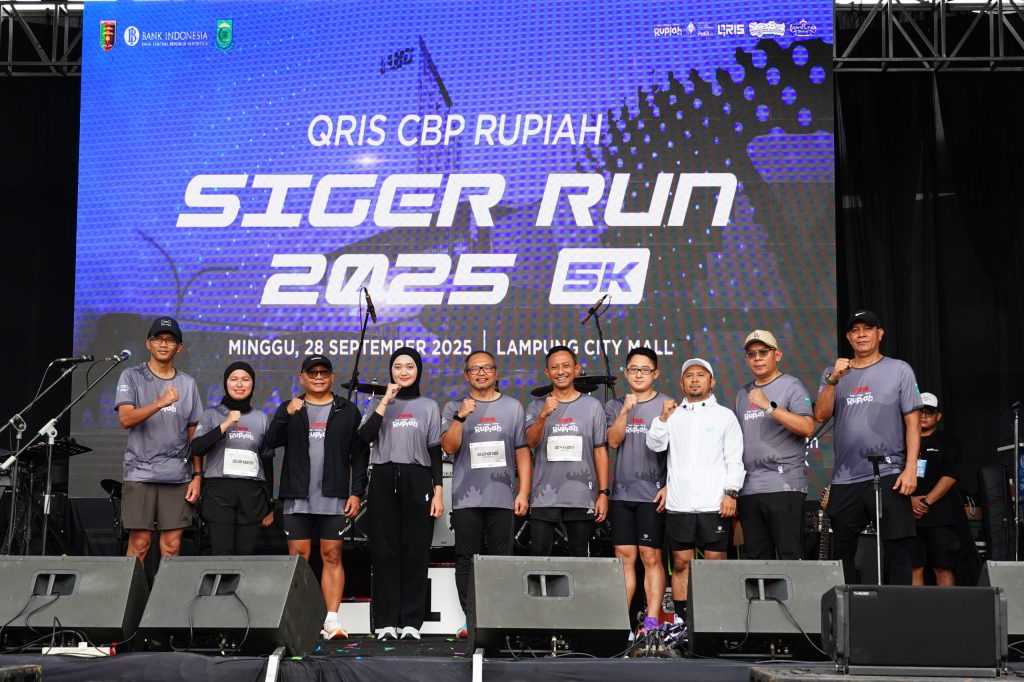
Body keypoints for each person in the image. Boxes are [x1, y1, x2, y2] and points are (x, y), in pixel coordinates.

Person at [813, 310, 923, 585]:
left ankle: (898, 608)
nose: (861, 334)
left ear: (879, 333)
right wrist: (833, 380)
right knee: (842, 551)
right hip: (845, 476)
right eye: (855, 330)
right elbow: (820, 415)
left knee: (898, 548)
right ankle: (848, 607)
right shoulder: (833, 373)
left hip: (888, 471)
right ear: (848, 337)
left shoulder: (899, 369)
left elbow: (913, 422)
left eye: (868, 328)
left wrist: (910, 468)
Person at [266, 355, 369, 640]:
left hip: (333, 495)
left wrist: (356, 492)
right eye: (312, 373)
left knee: (332, 555)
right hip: (297, 495)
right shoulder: (290, 408)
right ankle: (298, 619)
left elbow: (360, 455)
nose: (319, 377)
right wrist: (286, 414)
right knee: (298, 558)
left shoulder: (347, 410)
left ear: (332, 377)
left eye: (324, 372)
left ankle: (331, 621)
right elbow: (270, 443)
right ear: (302, 378)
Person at [646, 358, 743, 634]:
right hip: (680, 504)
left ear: (712, 382)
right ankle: (682, 625)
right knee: (680, 564)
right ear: (681, 383)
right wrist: (663, 418)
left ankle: (718, 622)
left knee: (716, 562)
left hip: (715, 503)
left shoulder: (725, 416)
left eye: (701, 375)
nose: (695, 379)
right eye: (689, 375)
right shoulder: (672, 415)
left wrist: (731, 493)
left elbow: (734, 459)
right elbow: (655, 444)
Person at [440, 350, 532, 639]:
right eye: (475, 369)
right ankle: (471, 620)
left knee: (501, 559)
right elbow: (449, 448)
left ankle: (499, 619)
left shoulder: (513, 407)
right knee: (466, 559)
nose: (481, 373)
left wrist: (523, 491)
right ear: (466, 375)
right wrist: (460, 417)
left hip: (502, 497)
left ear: (496, 372)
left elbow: (522, 451)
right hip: (466, 497)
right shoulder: (453, 407)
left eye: (486, 368)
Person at [358, 347, 443, 641]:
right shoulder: (378, 403)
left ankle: (410, 622)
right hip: (383, 476)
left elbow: (435, 451)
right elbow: (364, 437)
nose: (403, 372)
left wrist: (438, 492)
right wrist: (385, 401)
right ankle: (385, 622)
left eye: (409, 366)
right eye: (397, 367)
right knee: (384, 551)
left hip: (417, 479)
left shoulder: (429, 406)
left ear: (418, 371)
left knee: (415, 551)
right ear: (390, 371)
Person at [114, 316, 204, 564]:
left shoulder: (188, 383)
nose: (164, 344)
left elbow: (194, 433)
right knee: (139, 545)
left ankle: (164, 592)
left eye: (170, 340)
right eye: (158, 339)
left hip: (177, 475)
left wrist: (198, 475)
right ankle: (135, 592)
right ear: (148, 343)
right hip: (140, 472)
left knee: (172, 547)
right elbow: (126, 419)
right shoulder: (131, 376)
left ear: (179, 347)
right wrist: (159, 403)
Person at [733, 330, 815, 560]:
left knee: (790, 557)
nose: (757, 358)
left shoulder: (792, 386)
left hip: (783, 485)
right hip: (749, 489)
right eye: (752, 354)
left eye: (763, 352)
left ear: (777, 355)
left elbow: (807, 427)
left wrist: (769, 406)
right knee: (757, 560)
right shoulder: (742, 394)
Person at [605, 347, 668, 637]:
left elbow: (678, 452)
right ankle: (621, 623)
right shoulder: (615, 405)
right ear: (626, 372)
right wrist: (625, 411)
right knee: (624, 557)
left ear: (655, 373)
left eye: (645, 369)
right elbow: (613, 442)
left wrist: (669, 486)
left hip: (652, 494)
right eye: (633, 369)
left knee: (650, 556)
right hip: (621, 495)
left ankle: (652, 623)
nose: (639, 374)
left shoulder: (667, 405)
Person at [525, 345, 609, 557]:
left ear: (576, 369)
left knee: (579, 558)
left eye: (566, 366)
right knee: (539, 556)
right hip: (544, 495)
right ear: (547, 372)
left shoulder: (593, 406)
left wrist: (603, 493)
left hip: (580, 494)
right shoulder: (536, 406)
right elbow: (531, 442)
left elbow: (600, 451)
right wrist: (543, 415)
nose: (560, 371)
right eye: (555, 367)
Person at [191, 361, 274, 555]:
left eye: (245, 379)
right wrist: (225, 424)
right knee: (222, 552)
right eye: (233, 379)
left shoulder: (261, 417)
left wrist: (269, 503)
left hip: (252, 493)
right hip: (219, 491)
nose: (239, 384)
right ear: (225, 383)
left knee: (245, 554)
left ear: (252, 384)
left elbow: (267, 460)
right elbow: (197, 448)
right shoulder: (211, 414)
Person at [910, 392, 962, 586]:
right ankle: (915, 607)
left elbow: (951, 475)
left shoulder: (948, 440)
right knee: (914, 567)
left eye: (929, 412)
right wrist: (910, 501)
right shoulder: (903, 440)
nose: (924, 415)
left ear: (938, 416)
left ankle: (948, 606)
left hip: (939, 515)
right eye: (920, 411)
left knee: (942, 566)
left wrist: (925, 502)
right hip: (908, 515)